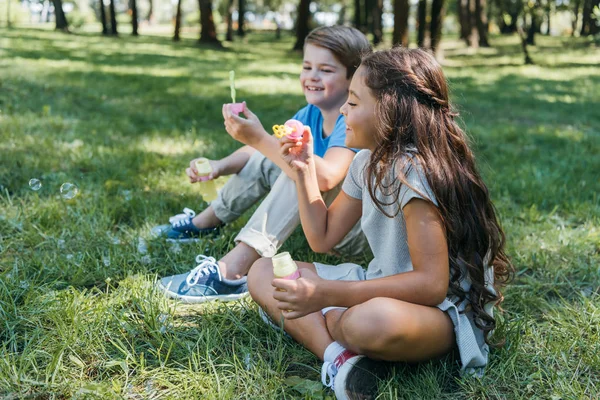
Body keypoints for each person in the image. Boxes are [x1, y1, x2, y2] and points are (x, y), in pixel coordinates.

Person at [247, 47, 514, 399]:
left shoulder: (414, 173)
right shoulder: (366, 164)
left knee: (368, 322)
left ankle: (330, 325)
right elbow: (322, 238)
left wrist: (327, 296)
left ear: (391, 111)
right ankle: (339, 358)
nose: (343, 110)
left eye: (354, 103)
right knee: (262, 272)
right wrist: (304, 170)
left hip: (441, 313)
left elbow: (432, 285)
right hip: (381, 286)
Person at [156, 26, 371, 303]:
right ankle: (205, 223)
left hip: (350, 233)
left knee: (300, 170)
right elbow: (263, 151)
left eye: (326, 70)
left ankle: (232, 271)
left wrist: (262, 140)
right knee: (284, 157)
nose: (311, 77)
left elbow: (327, 177)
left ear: (352, 78)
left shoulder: (351, 121)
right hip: (323, 224)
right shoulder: (309, 114)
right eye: (307, 67)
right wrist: (221, 165)